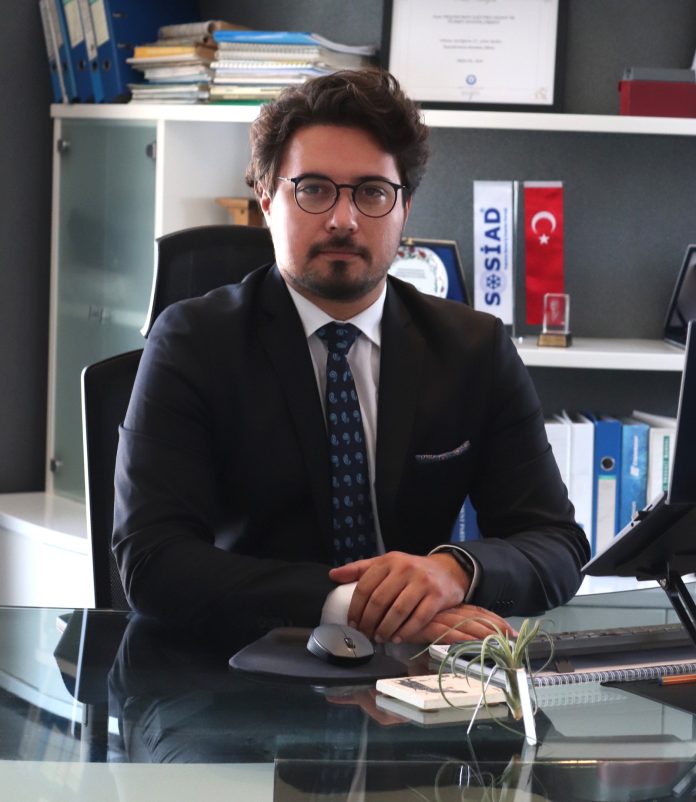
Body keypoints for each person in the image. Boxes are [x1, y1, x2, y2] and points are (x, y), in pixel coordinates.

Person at [113, 69, 589, 645]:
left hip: (419, 671)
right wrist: (351, 606)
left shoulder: (473, 349)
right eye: (313, 189)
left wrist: (455, 571)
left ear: (405, 208)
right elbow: (152, 559)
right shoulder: (192, 342)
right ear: (266, 200)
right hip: (242, 662)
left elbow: (557, 544)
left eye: (372, 192)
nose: (344, 219)